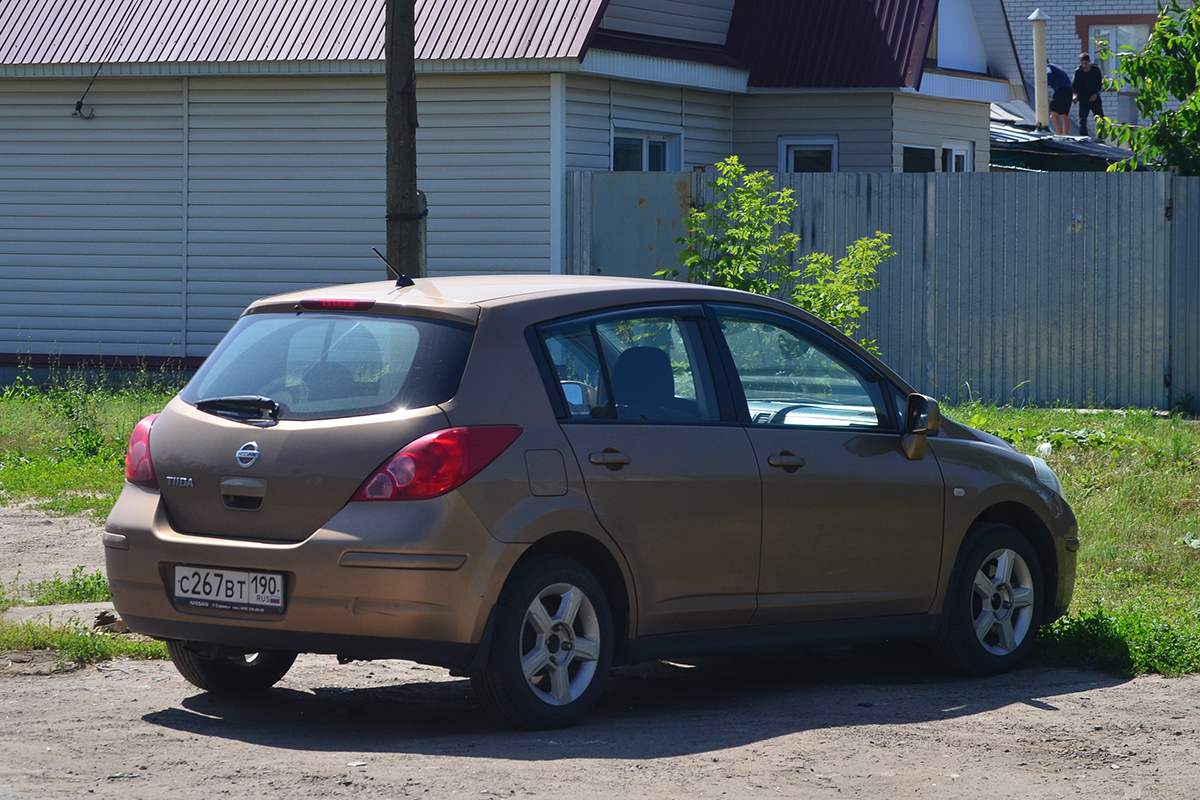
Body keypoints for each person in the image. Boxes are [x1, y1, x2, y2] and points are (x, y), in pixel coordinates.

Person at [1073, 53, 1104, 138]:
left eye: (1086, 63)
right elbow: (1074, 86)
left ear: (1089, 61)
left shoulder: (1095, 70)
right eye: (1082, 63)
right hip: (1083, 99)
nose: (1084, 65)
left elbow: (1100, 85)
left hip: (1095, 99)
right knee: (1082, 120)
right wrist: (1074, 96)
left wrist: (1095, 94)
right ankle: (1084, 137)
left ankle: (1100, 137)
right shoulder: (1078, 72)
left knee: (1100, 119)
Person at [1047, 63, 1072, 134]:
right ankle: (1066, 135)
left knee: (1053, 116)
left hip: (1061, 90)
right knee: (1064, 115)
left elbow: (1048, 76)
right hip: (1069, 90)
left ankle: (1059, 135)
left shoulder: (1047, 67)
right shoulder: (1056, 67)